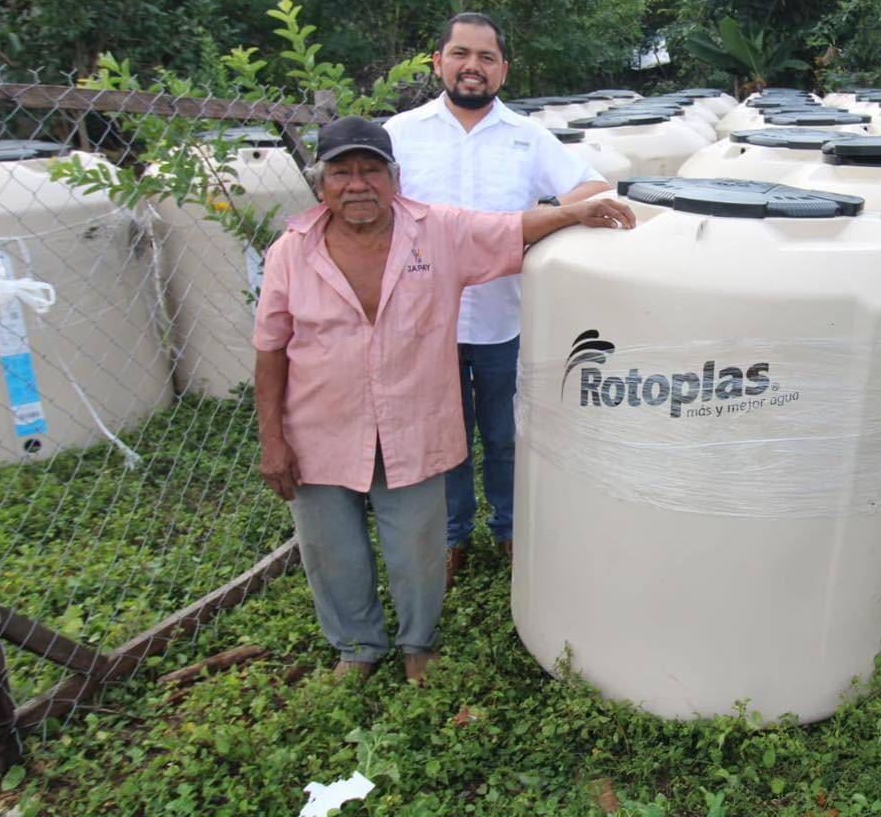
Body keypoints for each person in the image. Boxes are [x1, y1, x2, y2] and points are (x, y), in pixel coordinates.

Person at [253, 116, 634, 682]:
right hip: (319, 429)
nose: (357, 185)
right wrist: (273, 439)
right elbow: (270, 348)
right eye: (341, 173)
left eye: (371, 171)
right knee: (331, 549)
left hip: (411, 425)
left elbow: (510, 228)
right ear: (321, 184)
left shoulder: (437, 233)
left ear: (395, 178)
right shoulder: (291, 251)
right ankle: (356, 647)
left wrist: (574, 212)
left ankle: (418, 643)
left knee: (417, 546)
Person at [385, 13, 610, 588]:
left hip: (503, 318)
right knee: (447, 437)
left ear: (503, 70)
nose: (473, 67)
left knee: (506, 435)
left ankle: (510, 530)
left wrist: (547, 216)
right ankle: (453, 536)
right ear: (438, 62)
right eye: (461, 54)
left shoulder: (526, 138)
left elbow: (591, 186)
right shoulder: (401, 134)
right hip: (426, 322)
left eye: (486, 58)